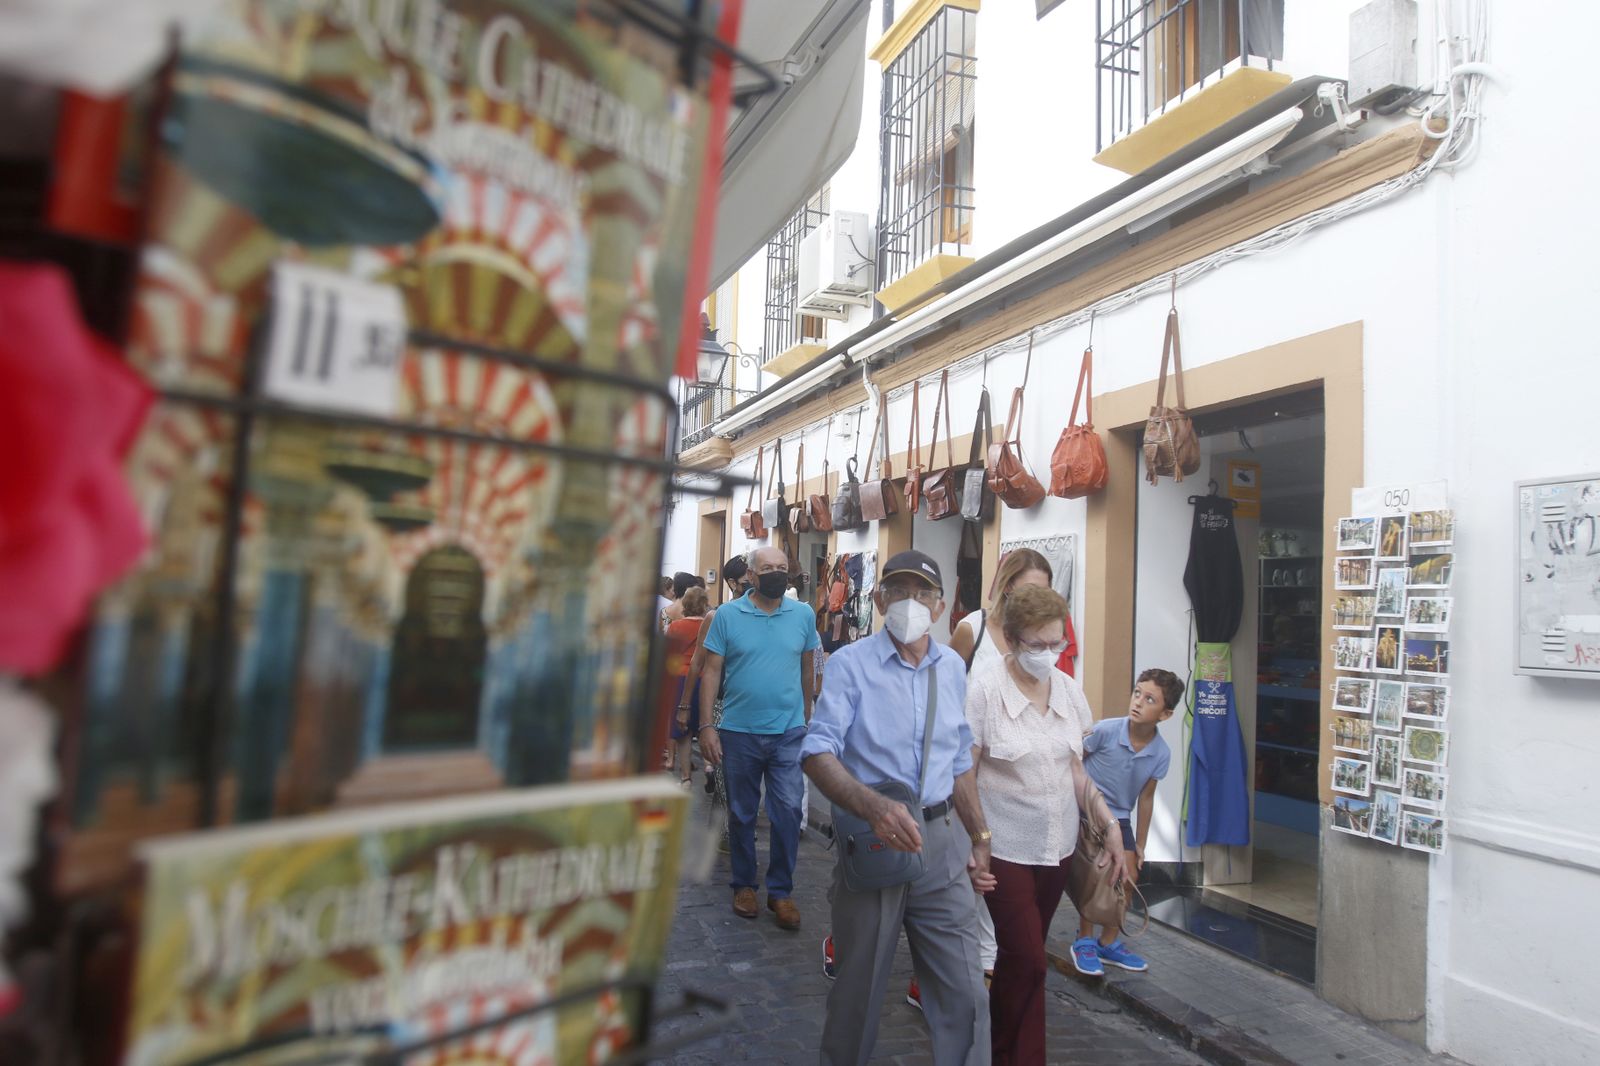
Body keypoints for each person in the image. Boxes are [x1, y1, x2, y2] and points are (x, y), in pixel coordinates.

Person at [803, 550, 995, 1066]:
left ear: (940, 606)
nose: (912, 602)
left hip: (942, 845)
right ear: (880, 599)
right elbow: (817, 751)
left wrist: (979, 836)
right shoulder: (850, 664)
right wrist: (874, 809)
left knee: (967, 995)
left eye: (923, 593)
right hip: (875, 843)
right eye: (899, 591)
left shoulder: (951, 667)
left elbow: (959, 759)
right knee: (858, 993)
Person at [964, 584, 1134, 1066]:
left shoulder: (1068, 690)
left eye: (1056, 643)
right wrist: (976, 839)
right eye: (1037, 644)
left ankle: (1000, 1052)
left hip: (1057, 849)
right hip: (1004, 849)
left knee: (1023, 961)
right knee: (1029, 959)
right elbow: (964, 772)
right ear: (1012, 639)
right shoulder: (986, 690)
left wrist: (1110, 824)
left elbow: (1075, 770)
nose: (1048, 653)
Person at [946, 548, 1092, 982]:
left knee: (1015, 940)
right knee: (979, 907)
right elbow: (948, 693)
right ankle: (965, 978)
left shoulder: (1049, 653)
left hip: (1041, 811)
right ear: (1008, 586)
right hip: (982, 784)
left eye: (1045, 590)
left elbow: (1073, 753)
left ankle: (994, 986)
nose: (1037, 598)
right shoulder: (973, 630)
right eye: (1029, 588)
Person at [698, 546, 820, 930]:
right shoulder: (727, 616)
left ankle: (780, 891)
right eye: (768, 568)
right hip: (738, 732)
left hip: (788, 732)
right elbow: (710, 672)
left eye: (782, 567)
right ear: (751, 575)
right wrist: (706, 726)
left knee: (788, 812)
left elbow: (807, 666)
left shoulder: (803, 615)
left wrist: (807, 716)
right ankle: (744, 885)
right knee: (742, 813)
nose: (776, 573)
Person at [1073, 668, 1180, 975]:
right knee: (1095, 875)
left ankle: (1108, 942)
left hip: (1120, 817)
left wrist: (1141, 844)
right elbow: (1074, 762)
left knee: (1128, 876)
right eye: (1137, 693)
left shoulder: (1161, 753)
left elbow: (1146, 798)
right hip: (1087, 812)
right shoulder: (1105, 730)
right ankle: (1084, 941)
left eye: (1150, 699)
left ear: (1166, 714)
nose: (1138, 702)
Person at [664, 586, 711, 787]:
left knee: (683, 732)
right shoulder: (710, 625)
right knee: (704, 724)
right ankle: (709, 766)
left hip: (680, 679)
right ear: (704, 604)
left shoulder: (675, 626)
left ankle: (686, 778)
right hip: (705, 677)